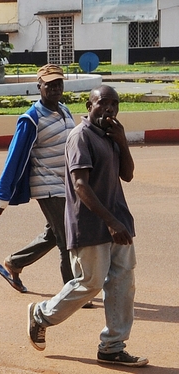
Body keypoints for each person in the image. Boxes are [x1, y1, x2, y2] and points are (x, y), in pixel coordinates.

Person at [27, 85, 148, 368]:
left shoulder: (110, 135)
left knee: (122, 283)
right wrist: (110, 221)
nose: (109, 109)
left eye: (114, 104)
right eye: (103, 103)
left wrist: (122, 141)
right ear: (89, 105)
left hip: (119, 221)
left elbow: (127, 175)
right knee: (90, 283)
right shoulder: (80, 136)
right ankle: (41, 315)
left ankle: (112, 346)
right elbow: (81, 185)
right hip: (91, 224)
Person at [0, 64, 74, 293]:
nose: (55, 88)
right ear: (39, 86)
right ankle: (72, 292)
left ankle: (15, 263)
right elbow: (15, 156)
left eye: (59, 83)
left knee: (54, 233)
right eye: (49, 84)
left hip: (67, 183)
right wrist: (2, 195)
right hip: (47, 185)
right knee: (67, 238)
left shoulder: (65, 111)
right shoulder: (31, 118)